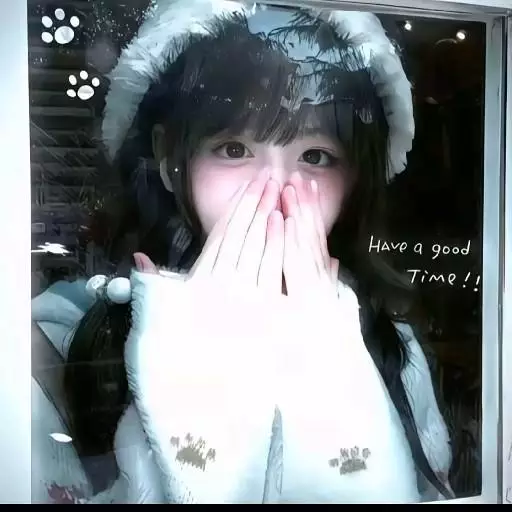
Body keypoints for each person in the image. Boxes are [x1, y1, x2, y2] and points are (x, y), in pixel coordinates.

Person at [31, 0, 454, 503]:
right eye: (234, 149)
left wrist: (333, 381)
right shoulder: (57, 344)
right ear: (169, 158)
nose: (274, 191)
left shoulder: (390, 349)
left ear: (353, 181)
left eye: (316, 156)